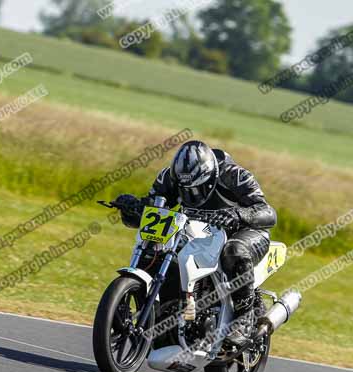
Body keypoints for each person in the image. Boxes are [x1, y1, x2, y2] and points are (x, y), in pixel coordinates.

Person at [116, 140, 277, 347]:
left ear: (210, 176)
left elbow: (268, 213)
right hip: (201, 231)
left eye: (197, 188)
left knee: (234, 251)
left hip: (246, 232)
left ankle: (244, 319)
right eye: (186, 190)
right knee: (161, 251)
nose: (192, 194)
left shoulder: (234, 175)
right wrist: (133, 208)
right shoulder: (169, 177)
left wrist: (238, 214)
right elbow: (154, 209)